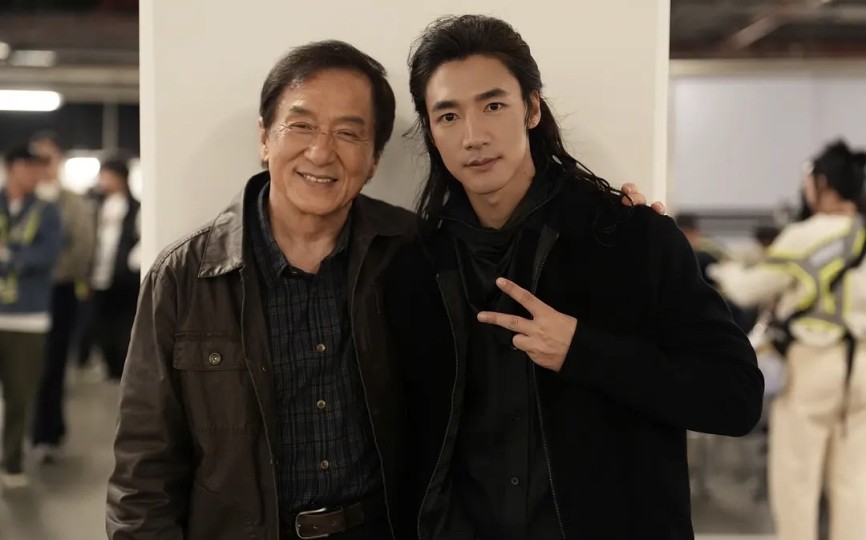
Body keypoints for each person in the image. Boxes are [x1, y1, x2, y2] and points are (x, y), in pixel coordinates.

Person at [105, 39, 662, 540]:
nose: (321, 152)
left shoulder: (416, 252)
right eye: (301, 126)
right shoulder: (186, 276)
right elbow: (143, 473)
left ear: (373, 160)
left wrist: (622, 229)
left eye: (348, 133)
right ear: (265, 138)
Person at [383, 15, 764, 540]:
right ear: (431, 131)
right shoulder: (414, 267)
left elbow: (735, 398)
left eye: (493, 106)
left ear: (532, 108)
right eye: (448, 116)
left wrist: (582, 350)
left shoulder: (630, 239)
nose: (473, 136)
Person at [711, 140, 866, 540]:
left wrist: (723, 271)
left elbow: (749, 289)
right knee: (853, 485)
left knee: (796, 482)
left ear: (823, 184)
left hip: (814, 363)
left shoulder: (806, 235)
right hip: (862, 370)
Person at [29, 132, 96, 461]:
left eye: (47, 159)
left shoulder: (71, 202)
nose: (42, 166)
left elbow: (81, 248)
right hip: (23, 296)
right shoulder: (22, 199)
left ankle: (47, 431)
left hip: (58, 292)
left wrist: (42, 269)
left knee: (53, 364)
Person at [0, 146, 63, 489]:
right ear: (12, 167)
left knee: (19, 396)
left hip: (28, 317)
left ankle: (12, 461)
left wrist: (9, 255)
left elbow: (47, 255)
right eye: (29, 167)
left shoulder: (47, 211)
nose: (36, 175)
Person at [90, 158, 140, 381]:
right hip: (98, 275)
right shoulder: (96, 205)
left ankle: (123, 368)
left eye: (107, 176)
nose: (103, 181)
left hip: (124, 279)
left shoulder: (135, 208)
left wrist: (131, 263)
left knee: (124, 324)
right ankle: (109, 365)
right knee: (101, 324)